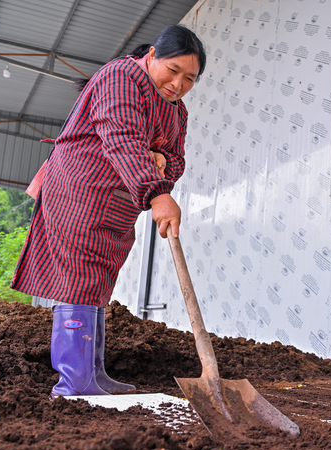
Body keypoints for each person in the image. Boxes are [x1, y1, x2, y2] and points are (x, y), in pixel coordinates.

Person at [11, 25, 206, 397]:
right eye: (173, 69)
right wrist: (156, 190)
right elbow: (123, 138)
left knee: (98, 281)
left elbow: (176, 161)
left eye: (189, 78)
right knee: (78, 278)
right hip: (80, 191)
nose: (178, 83)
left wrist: (161, 162)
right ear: (152, 55)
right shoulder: (122, 75)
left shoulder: (177, 111)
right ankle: (73, 381)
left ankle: (94, 373)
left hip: (119, 203)